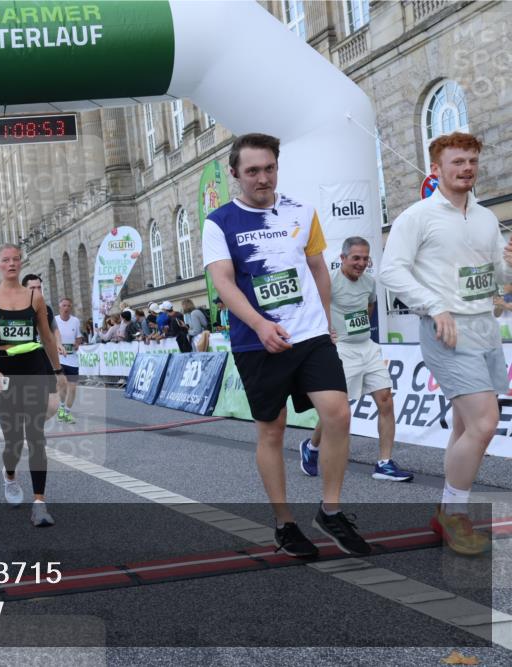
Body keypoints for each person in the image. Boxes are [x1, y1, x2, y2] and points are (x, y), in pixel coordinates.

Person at [202, 132, 370, 558]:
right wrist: (260, 324)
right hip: (257, 342)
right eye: (252, 171)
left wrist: (325, 320)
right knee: (272, 430)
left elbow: (318, 269)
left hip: (310, 336)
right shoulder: (220, 222)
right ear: (235, 173)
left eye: (269, 168)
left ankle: (330, 510)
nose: (263, 178)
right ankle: (285, 523)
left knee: (338, 414)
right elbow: (223, 282)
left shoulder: (302, 210)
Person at [380, 132, 510, 556]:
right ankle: (454, 515)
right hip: (446, 330)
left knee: (464, 426)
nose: (467, 168)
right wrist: (434, 307)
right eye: (458, 162)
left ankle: (447, 511)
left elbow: (498, 278)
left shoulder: (486, 217)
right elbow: (390, 271)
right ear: (436, 169)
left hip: (485, 328)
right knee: (484, 424)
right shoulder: (417, 216)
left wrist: (508, 268)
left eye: (472, 161)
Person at [298, 237, 414, 482]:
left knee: (386, 400)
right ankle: (312, 446)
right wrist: (327, 331)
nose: (361, 263)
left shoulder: (369, 282)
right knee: (337, 410)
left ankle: (384, 464)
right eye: (356, 258)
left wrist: (358, 330)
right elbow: (313, 308)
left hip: (367, 347)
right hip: (342, 350)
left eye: (365, 258)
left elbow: (369, 307)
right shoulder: (329, 281)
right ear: (342, 258)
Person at [0, 247, 67, 528]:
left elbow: (47, 337)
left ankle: (39, 503)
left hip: (34, 367)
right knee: (14, 440)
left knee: (36, 435)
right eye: (6, 260)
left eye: (16, 259)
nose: (11, 264)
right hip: (4, 370)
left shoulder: (34, 297)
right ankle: (10, 475)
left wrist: (57, 371)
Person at [21, 274, 62, 422]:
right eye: (33, 288)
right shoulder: (17, 308)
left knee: (53, 406)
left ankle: (33, 422)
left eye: (39, 287)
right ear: (24, 289)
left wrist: (58, 343)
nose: (37, 291)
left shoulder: (46, 308)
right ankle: (31, 425)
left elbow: (54, 329)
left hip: (44, 358)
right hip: (24, 360)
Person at [54, 297, 84, 423]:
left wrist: (77, 344)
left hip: (72, 359)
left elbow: (79, 337)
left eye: (68, 306)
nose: (66, 308)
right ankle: (61, 407)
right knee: (62, 385)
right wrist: (57, 346)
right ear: (60, 307)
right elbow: (49, 337)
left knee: (73, 388)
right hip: (59, 359)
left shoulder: (75, 321)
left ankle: (66, 412)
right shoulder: (54, 320)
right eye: (64, 305)